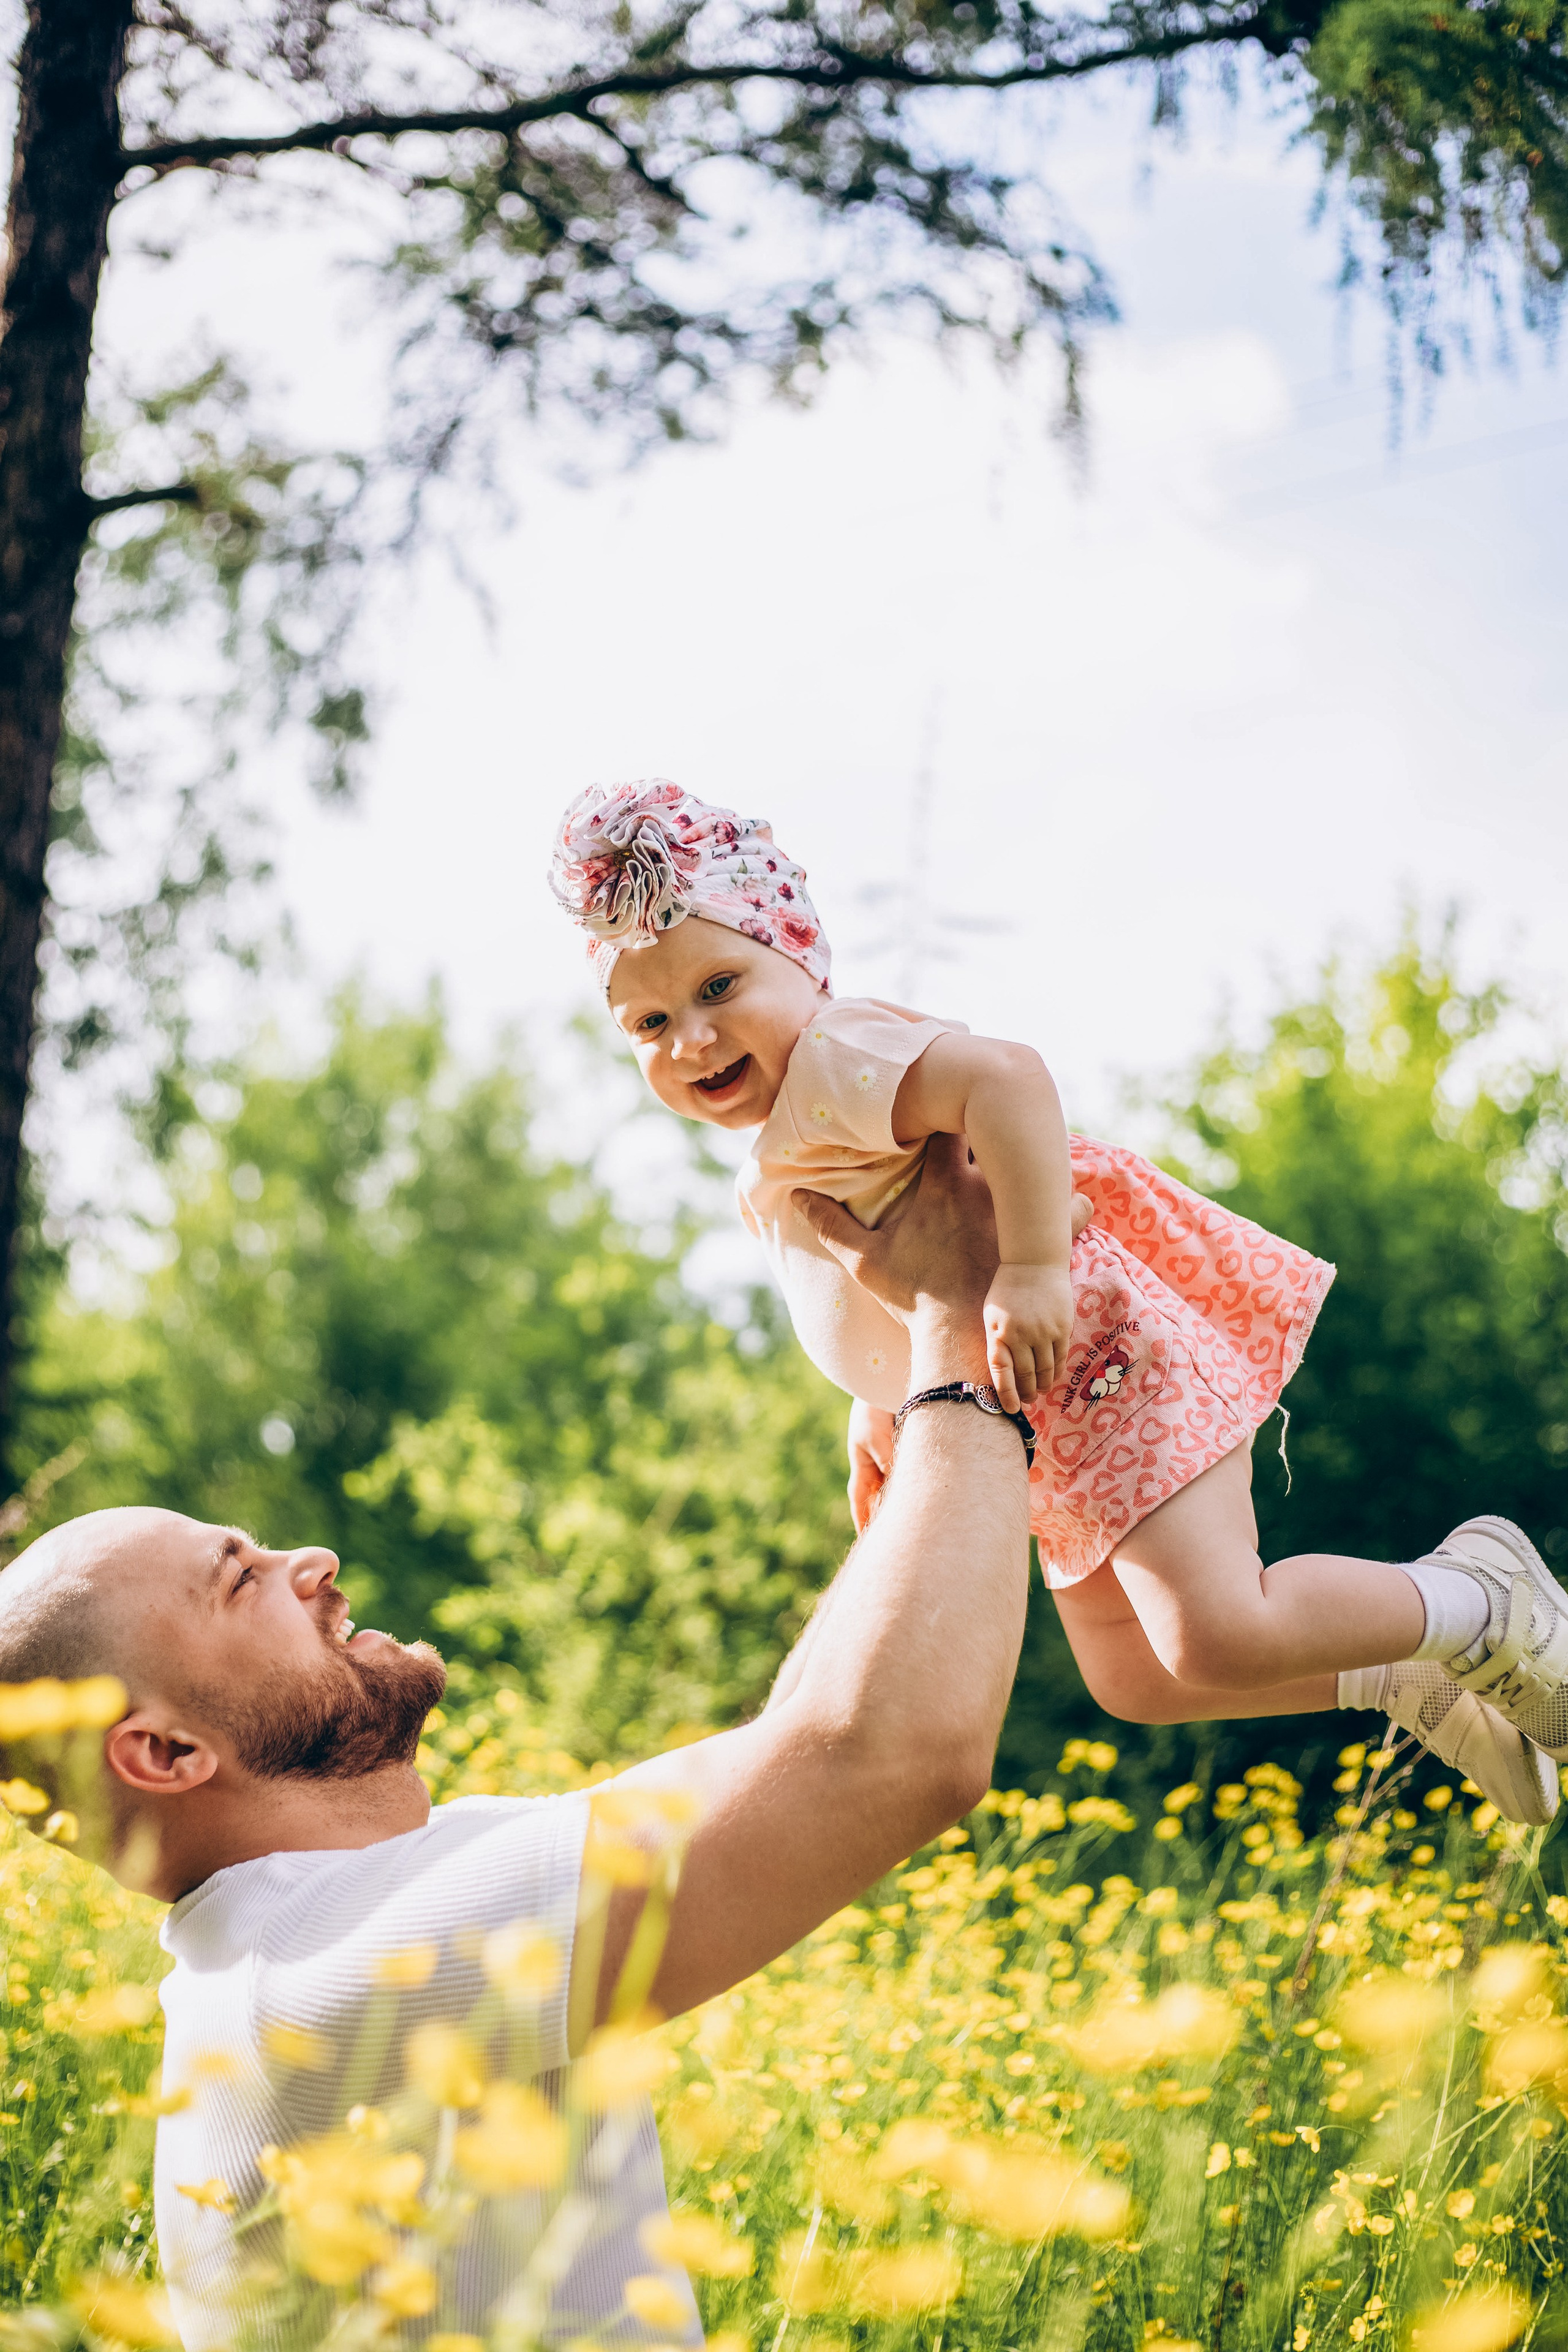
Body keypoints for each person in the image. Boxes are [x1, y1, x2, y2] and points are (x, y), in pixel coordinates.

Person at [0, 1139, 1054, 2350]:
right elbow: (885, 1756)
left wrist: (902, 1522)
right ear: (168, 1755)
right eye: (241, 1580)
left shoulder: (347, 1921)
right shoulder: (334, 1979)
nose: (311, 1564)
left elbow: (786, 1750)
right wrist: (957, 1326)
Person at [550, 777, 1568, 1825]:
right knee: (1139, 1678)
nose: (692, 1039)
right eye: (650, 1020)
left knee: (1215, 1633)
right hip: (1042, 1407)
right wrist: (881, 1407)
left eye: (721, 986)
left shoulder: (834, 1062)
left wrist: (1034, 1267)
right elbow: (891, 1266)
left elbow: (1007, 1079)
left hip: (1092, 1360)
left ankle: (1480, 1601)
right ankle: (1420, 1667)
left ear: (798, 956)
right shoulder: (794, 1126)